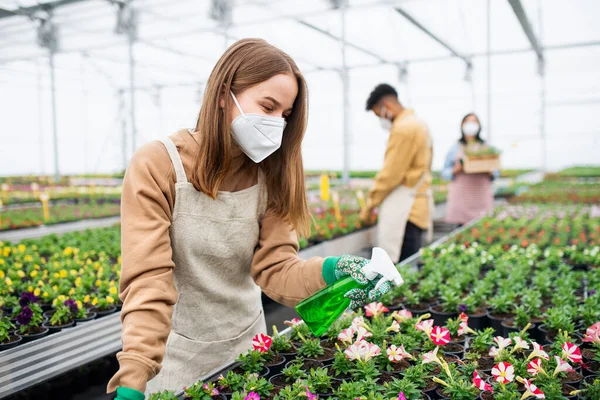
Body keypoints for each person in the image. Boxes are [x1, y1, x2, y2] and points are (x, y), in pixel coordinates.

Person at [107, 39, 391, 400]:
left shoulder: (271, 174)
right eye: (267, 106)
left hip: (250, 350)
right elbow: (148, 280)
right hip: (175, 358)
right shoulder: (159, 165)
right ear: (225, 94)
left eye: (284, 115)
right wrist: (134, 378)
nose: (275, 124)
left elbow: (276, 269)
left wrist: (332, 270)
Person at [362, 83, 433, 264]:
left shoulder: (403, 129)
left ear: (387, 107)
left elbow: (391, 174)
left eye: (379, 115)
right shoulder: (418, 123)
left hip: (406, 210)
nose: (381, 120)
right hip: (417, 204)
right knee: (410, 265)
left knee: (400, 268)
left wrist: (370, 204)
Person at [441, 113, 497, 226]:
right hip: (462, 198)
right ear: (462, 125)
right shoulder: (455, 147)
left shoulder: (486, 147)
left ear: (479, 126)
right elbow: (445, 173)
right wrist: (457, 169)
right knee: (461, 231)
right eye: (467, 121)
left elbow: (496, 172)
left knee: (483, 227)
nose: (470, 125)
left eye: (474, 121)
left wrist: (487, 170)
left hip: (481, 196)